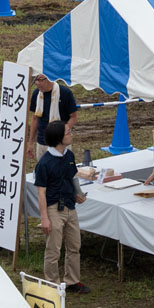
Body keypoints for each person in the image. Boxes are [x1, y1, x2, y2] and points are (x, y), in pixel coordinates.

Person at [34, 119, 89, 294]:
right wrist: (44, 218)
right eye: (68, 132)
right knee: (53, 249)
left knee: (74, 245)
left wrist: (78, 194)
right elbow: (41, 192)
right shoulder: (44, 163)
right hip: (53, 208)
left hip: (70, 207)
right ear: (59, 138)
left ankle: (72, 281)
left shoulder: (69, 156)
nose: (71, 134)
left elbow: (73, 177)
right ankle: (52, 285)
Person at [30, 72, 78, 158]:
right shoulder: (36, 94)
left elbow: (73, 117)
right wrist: (30, 143)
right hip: (42, 141)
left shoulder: (65, 93)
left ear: (50, 78)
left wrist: (63, 132)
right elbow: (35, 119)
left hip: (60, 143)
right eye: (36, 80)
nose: (37, 83)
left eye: (40, 79)